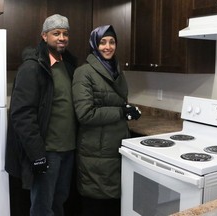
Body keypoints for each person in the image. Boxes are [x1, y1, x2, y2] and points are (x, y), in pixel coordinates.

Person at [5, 14, 77, 216]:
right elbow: (21, 116)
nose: (62, 37)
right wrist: (37, 155)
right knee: (42, 207)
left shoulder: (69, 65)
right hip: (47, 151)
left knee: (59, 201)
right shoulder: (32, 67)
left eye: (65, 33)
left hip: (68, 149)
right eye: (56, 33)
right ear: (44, 36)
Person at [72, 25, 141, 216]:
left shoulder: (117, 70)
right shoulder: (84, 72)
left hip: (116, 147)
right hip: (96, 151)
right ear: (94, 44)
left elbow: (116, 101)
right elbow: (85, 114)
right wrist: (121, 112)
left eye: (112, 42)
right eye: (103, 42)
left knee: (114, 205)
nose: (108, 47)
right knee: (95, 205)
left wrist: (129, 110)